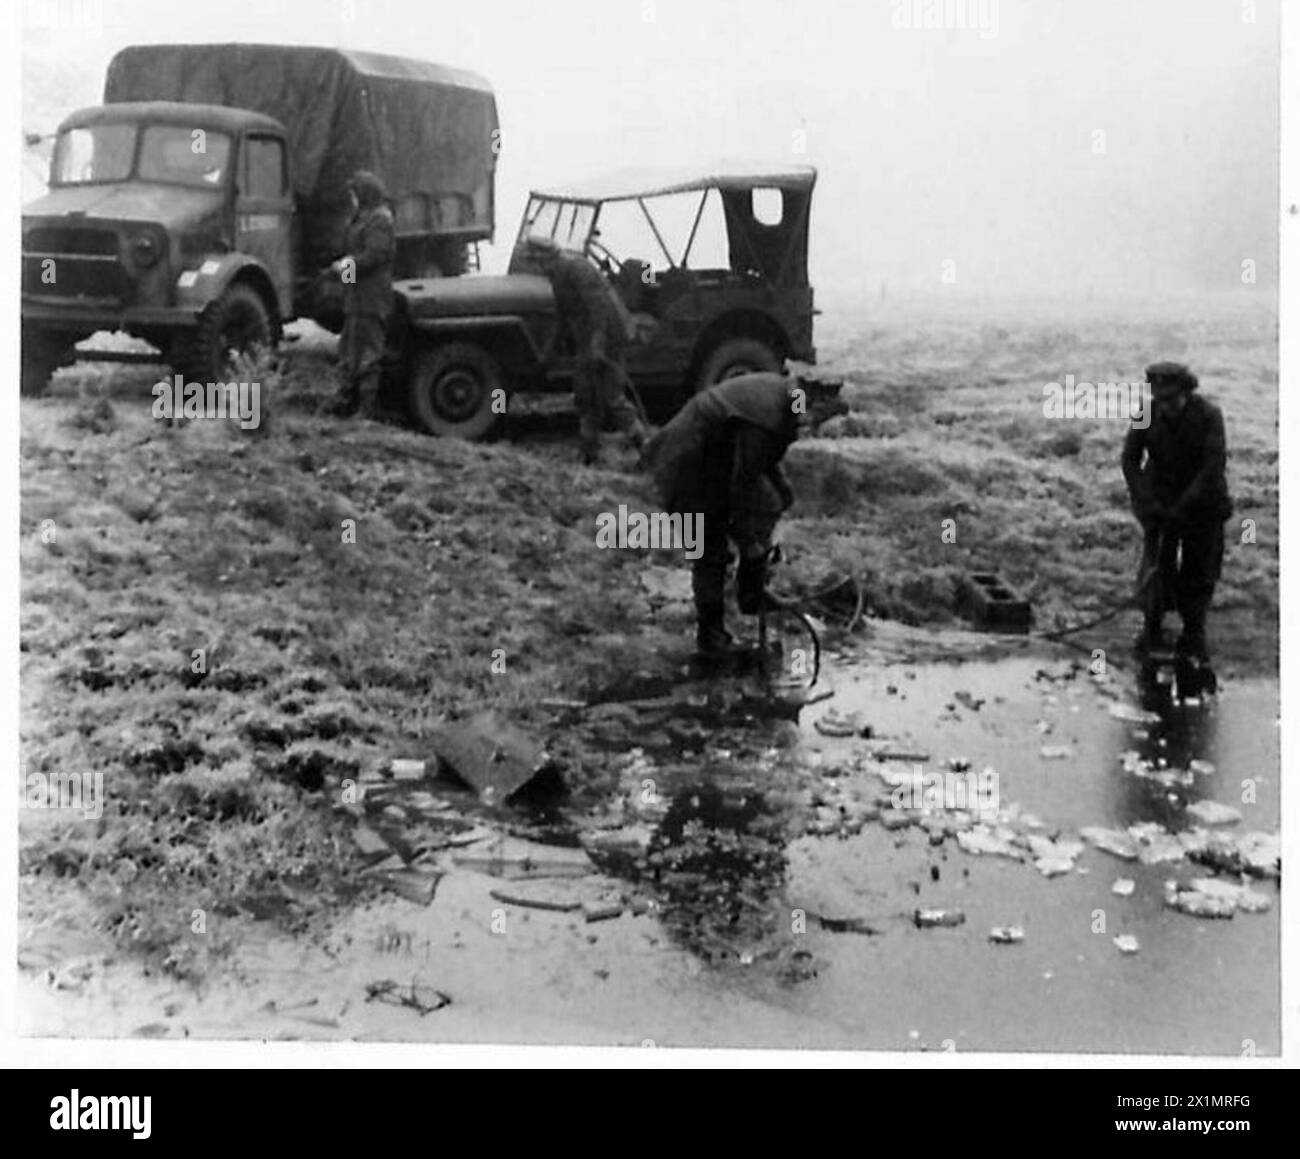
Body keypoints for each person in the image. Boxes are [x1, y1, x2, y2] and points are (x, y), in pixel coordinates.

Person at [641, 366, 848, 658]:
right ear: (812, 404)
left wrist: (781, 487)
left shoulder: (790, 399)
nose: (818, 426)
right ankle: (711, 638)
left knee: (769, 504)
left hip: (713, 460)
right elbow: (743, 481)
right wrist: (748, 538)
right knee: (708, 550)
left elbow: (766, 454)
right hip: (685, 463)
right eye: (822, 417)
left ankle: (750, 593)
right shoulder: (773, 411)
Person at [1121, 361, 1232, 659]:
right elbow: (1130, 460)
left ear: (1187, 391)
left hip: (1203, 505)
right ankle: (1152, 624)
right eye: (1161, 398)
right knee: (1158, 565)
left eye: (1172, 398)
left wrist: (1183, 507)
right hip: (1159, 502)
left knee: (1200, 568)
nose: (1166, 405)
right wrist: (1146, 501)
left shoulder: (1209, 416)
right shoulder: (1146, 413)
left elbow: (1212, 469)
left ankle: (1194, 630)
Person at [526, 237, 649, 463]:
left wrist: (598, 344)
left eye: (536, 262)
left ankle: (646, 448)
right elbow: (563, 318)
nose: (536, 268)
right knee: (585, 393)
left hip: (608, 336)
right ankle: (588, 452)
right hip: (589, 338)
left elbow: (598, 307)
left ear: (545, 259)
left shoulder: (576, 268)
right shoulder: (558, 276)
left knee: (610, 394)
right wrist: (548, 354)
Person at [325, 170, 395, 420]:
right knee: (349, 350)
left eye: (354, 193)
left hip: (372, 297)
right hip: (356, 296)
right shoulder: (361, 218)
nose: (351, 198)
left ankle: (366, 411)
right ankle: (346, 403)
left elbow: (376, 255)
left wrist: (347, 265)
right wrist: (341, 276)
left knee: (367, 353)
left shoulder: (380, 219)